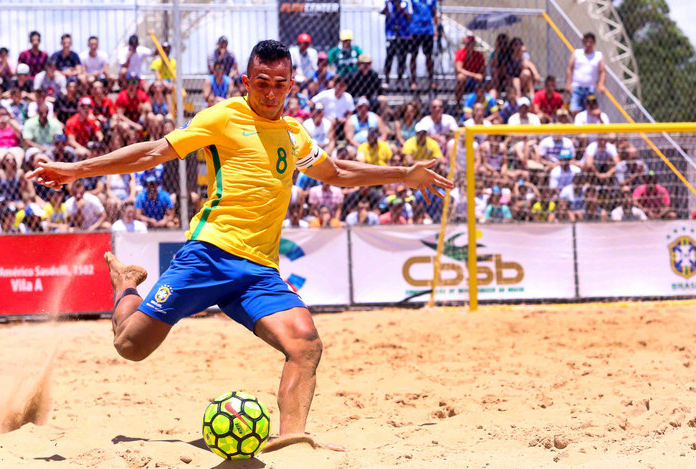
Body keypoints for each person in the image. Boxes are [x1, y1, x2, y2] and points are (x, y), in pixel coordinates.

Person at [26, 39, 452, 449]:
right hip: (209, 254)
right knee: (130, 347)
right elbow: (153, 153)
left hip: (260, 272)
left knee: (305, 345)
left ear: (291, 85)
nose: (270, 92)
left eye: (279, 83)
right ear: (247, 81)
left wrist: (403, 174)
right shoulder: (222, 117)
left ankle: (291, 441)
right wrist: (77, 169)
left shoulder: (294, 133)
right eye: (262, 82)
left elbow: (336, 172)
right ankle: (126, 285)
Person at [407, 0, 438, 91]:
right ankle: (413, 81)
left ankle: (431, 81)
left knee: (429, 57)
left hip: (428, 31)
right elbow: (408, 14)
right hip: (415, 30)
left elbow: (434, 12)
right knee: (413, 56)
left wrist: (436, 28)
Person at [380, 0, 412, 89]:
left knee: (402, 58)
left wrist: (400, 7)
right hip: (391, 34)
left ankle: (399, 81)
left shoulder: (406, 1)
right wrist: (390, 1)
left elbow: (409, 16)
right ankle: (387, 80)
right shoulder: (387, 1)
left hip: (404, 35)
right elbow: (382, 12)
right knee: (389, 57)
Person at [566, 32, 606, 116]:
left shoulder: (598, 55)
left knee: (591, 111)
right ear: (583, 42)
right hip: (576, 87)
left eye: (590, 42)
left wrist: (601, 85)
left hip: (590, 88)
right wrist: (568, 84)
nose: (588, 44)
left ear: (594, 43)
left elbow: (602, 71)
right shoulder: (577, 53)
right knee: (574, 110)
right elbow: (570, 69)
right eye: (586, 42)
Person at [311, 75, 354, 141]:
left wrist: (345, 119)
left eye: (343, 86)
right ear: (335, 85)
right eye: (339, 85)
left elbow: (350, 112)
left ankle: (347, 141)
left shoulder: (348, 97)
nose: (340, 88)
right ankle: (331, 142)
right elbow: (311, 102)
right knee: (331, 123)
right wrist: (319, 115)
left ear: (345, 87)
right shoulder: (326, 94)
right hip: (325, 119)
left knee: (349, 122)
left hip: (341, 122)